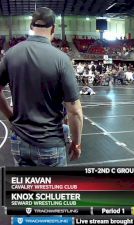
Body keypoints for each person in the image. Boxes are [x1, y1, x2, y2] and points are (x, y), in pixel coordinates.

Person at [0, 7, 83, 166]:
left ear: (31, 27)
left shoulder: (11, 54)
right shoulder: (61, 59)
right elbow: (75, 112)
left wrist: (11, 117)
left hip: (19, 140)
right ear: (53, 28)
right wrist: (76, 143)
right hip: (50, 144)